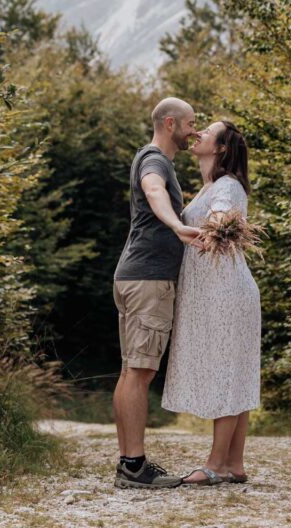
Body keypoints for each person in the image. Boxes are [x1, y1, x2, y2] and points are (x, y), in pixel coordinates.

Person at [161, 119, 261, 486]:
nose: (199, 131)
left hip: (226, 293)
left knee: (226, 372)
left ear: (220, 148)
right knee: (235, 373)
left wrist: (216, 224)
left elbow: (223, 215)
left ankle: (216, 465)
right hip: (219, 292)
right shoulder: (210, 186)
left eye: (208, 130)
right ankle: (234, 463)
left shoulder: (226, 187)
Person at [112, 96, 202, 489]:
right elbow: (153, 191)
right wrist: (176, 226)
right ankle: (133, 467)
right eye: (190, 124)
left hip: (138, 277)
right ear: (170, 123)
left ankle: (129, 464)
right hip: (147, 280)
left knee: (132, 370)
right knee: (139, 372)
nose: (194, 131)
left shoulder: (159, 161)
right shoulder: (155, 160)